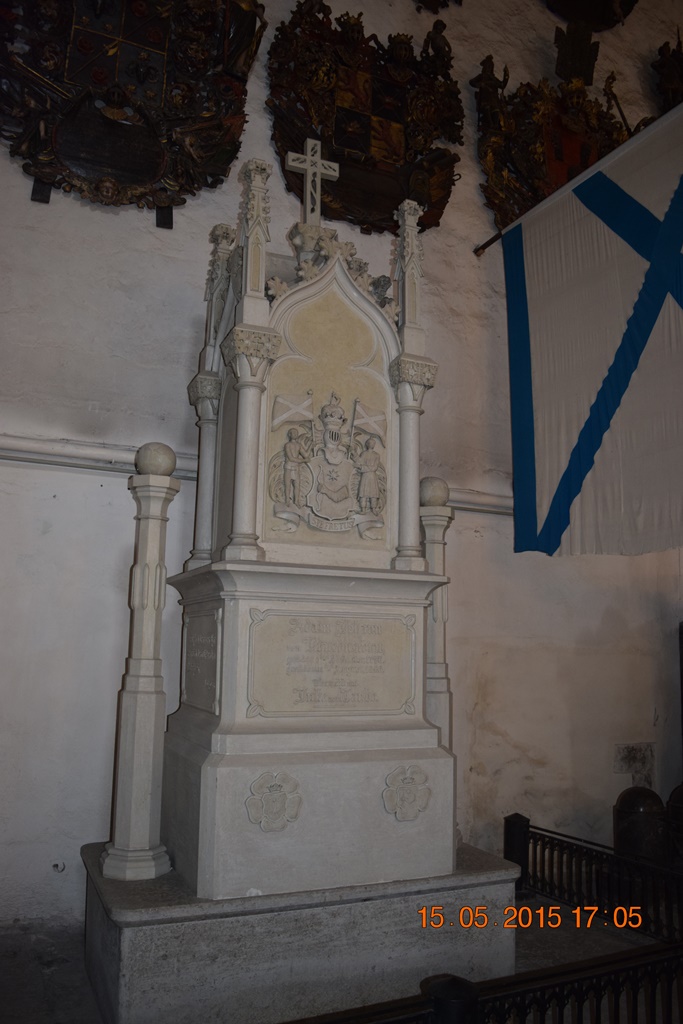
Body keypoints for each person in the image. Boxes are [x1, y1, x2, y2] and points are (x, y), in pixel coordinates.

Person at [356, 437, 382, 514]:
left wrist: (363, 468)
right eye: (371, 443)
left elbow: (375, 467)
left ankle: (373, 509)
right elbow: (359, 463)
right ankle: (363, 509)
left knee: (373, 493)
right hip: (365, 476)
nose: (372, 444)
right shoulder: (364, 454)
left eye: (374, 443)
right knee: (363, 493)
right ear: (367, 444)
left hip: (372, 476)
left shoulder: (376, 455)